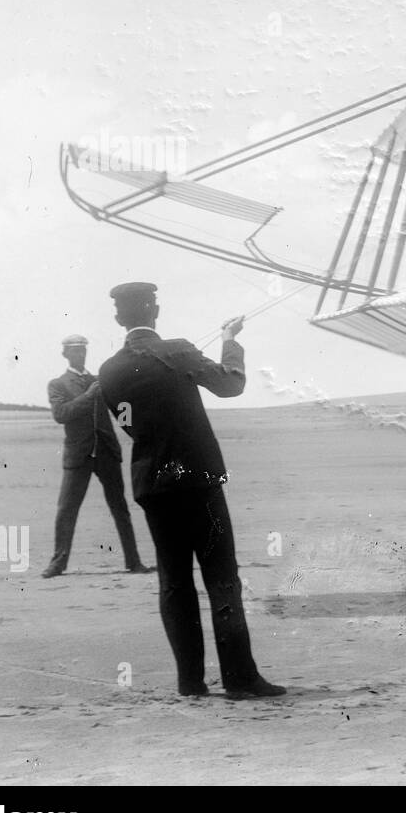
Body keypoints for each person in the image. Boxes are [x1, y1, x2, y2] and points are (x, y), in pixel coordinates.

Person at [97, 282, 284, 699]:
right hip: (198, 479)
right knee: (222, 579)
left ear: (118, 318)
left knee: (174, 581)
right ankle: (239, 678)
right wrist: (230, 341)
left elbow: (127, 423)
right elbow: (231, 384)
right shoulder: (178, 350)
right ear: (156, 311)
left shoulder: (108, 371)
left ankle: (190, 681)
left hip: (153, 485)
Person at [43, 334, 151, 578]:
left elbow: (120, 410)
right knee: (66, 509)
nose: (80, 354)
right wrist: (89, 396)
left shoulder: (99, 381)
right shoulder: (57, 384)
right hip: (78, 455)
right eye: (75, 351)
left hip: (107, 453)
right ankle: (58, 564)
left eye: (83, 350)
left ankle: (133, 562)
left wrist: (132, 425)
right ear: (65, 354)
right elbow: (61, 414)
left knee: (120, 508)